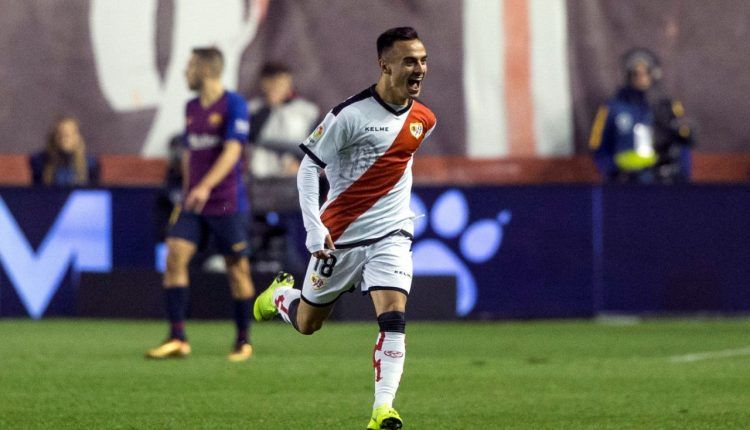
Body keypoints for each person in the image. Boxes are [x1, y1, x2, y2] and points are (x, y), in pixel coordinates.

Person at [253, 27, 436, 429]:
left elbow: (393, 170)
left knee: (393, 315)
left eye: (422, 60)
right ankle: (282, 296)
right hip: (338, 238)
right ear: (384, 64)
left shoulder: (424, 118)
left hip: (392, 233)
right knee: (308, 323)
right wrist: (313, 226)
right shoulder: (349, 115)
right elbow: (307, 169)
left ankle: (382, 410)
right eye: (409, 61)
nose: (419, 68)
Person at [145, 47, 256, 362]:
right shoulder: (191, 107)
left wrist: (206, 186)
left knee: (237, 270)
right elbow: (191, 153)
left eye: (190, 66)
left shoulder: (234, 104)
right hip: (194, 202)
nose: (185, 73)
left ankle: (242, 341)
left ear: (206, 70)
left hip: (226, 203)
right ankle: (178, 337)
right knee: (174, 257)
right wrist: (189, 188)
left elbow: (233, 151)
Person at [589, 48, 695, 184]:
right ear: (627, 75)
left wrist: (683, 177)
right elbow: (598, 146)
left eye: (646, 72)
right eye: (636, 74)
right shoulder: (612, 107)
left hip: (662, 179)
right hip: (625, 181)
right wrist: (612, 170)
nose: (641, 78)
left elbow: (683, 144)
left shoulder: (668, 105)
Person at [247, 62, 319, 178]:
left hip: (293, 179)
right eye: (275, 83)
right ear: (264, 83)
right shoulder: (252, 109)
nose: (281, 88)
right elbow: (252, 137)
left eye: (284, 83)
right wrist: (269, 107)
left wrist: (300, 162)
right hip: (260, 178)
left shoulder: (306, 111)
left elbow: (318, 145)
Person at [30, 116, 99, 186]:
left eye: (69, 134)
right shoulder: (40, 161)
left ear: (77, 137)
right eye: (60, 134)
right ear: (54, 137)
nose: (65, 138)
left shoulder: (91, 163)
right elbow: (37, 191)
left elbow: (96, 191)